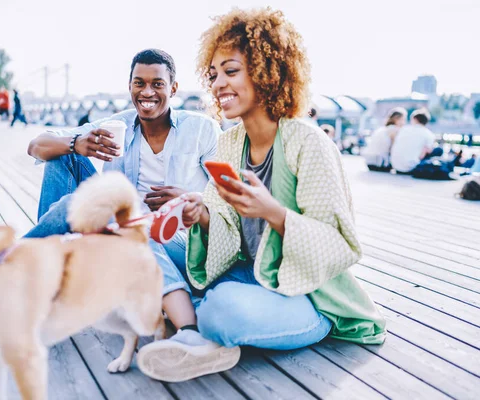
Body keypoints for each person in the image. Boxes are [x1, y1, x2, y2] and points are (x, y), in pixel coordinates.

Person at [136, 8, 386, 383]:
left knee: (222, 308)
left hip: (307, 297)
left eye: (231, 71)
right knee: (138, 238)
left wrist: (274, 213)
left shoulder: (308, 143)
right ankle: (194, 327)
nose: (219, 84)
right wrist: (201, 214)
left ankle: (190, 315)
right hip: (244, 275)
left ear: (268, 71)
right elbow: (224, 228)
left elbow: (340, 246)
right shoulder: (229, 143)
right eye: (214, 74)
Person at [24, 49, 221, 327]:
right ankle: (48, 272)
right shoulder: (119, 124)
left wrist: (191, 199)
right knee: (62, 155)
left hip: (176, 240)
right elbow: (36, 146)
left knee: (78, 206)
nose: (147, 92)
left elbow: (227, 199)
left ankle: (11, 267)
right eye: (139, 83)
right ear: (130, 86)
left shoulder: (203, 130)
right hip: (119, 226)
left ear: (173, 88)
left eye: (158, 84)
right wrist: (76, 143)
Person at [390, 109, 438, 173]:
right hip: (411, 168)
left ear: (414, 119)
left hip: (395, 165)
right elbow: (422, 155)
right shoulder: (429, 134)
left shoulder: (403, 129)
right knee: (437, 150)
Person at [361, 107, 407, 172]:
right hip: (380, 164)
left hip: (369, 162)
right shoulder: (394, 130)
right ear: (396, 119)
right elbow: (393, 149)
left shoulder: (382, 129)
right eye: (403, 119)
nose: (404, 122)